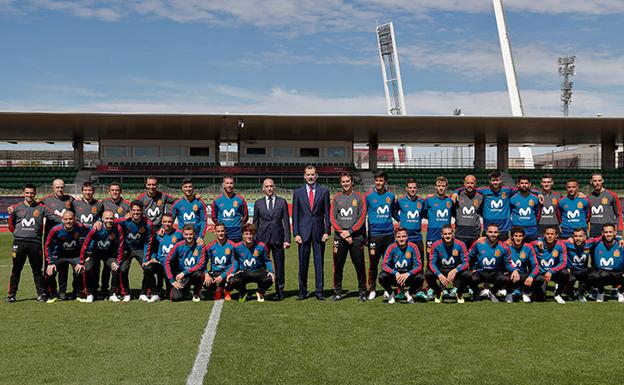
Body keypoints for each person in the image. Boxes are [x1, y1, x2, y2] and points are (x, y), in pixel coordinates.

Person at [7, 183, 61, 302]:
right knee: (16, 269)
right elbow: (11, 225)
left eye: (31, 193)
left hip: (35, 243)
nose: (29, 195)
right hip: (19, 243)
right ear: (23, 193)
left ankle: (41, 293)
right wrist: (18, 233)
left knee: (37, 270)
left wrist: (68, 221)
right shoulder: (16, 207)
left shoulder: (41, 207)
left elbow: (54, 217)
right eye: (27, 193)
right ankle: (12, 294)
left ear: (35, 194)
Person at [292, 165, 331, 300]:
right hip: (302, 234)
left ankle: (319, 292)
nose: (310, 177)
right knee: (303, 264)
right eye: (308, 174)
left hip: (319, 233)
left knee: (319, 264)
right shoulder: (298, 192)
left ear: (317, 176)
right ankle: (302, 291)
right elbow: (295, 214)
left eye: (313, 174)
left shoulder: (324, 191)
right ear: (304, 176)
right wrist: (296, 233)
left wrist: (327, 231)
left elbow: (327, 213)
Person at [329, 172, 367, 302]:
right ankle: (337, 291)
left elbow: (361, 218)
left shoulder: (359, 198)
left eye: (347, 181)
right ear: (341, 183)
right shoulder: (336, 198)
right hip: (340, 237)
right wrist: (343, 233)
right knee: (338, 266)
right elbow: (332, 218)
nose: (345, 184)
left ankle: (362, 291)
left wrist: (350, 232)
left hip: (356, 237)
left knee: (359, 265)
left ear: (352, 182)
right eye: (343, 182)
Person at [253, 178, 291, 300]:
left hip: (278, 239)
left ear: (274, 187)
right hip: (262, 240)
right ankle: (262, 291)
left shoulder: (282, 202)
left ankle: (280, 292)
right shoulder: (258, 203)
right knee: (262, 267)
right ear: (263, 189)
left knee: (279, 266)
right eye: (267, 186)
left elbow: (286, 221)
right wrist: (254, 240)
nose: (269, 188)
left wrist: (287, 239)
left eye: (271, 186)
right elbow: (255, 223)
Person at [364, 170, 397, 300]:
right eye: (376, 180)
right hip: (374, 236)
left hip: (389, 235)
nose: (378, 183)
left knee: (388, 263)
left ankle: (387, 289)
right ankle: (372, 288)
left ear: (385, 182)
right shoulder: (369, 197)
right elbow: (363, 215)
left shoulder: (391, 196)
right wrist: (364, 234)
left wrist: (402, 221)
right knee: (373, 263)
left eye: (381, 180)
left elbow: (393, 212)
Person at [44, 210, 90, 302]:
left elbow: (91, 234)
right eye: (66, 219)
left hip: (75, 255)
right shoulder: (55, 230)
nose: (68, 221)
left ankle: (78, 293)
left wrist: (85, 256)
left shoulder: (80, 227)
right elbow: (47, 245)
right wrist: (50, 262)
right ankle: (54, 294)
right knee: (50, 271)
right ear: (62, 220)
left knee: (81, 269)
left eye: (70, 219)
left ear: (74, 219)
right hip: (60, 255)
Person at [80, 210, 124, 303]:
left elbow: (121, 245)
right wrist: (82, 259)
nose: (109, 220)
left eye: (111, 218)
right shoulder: (96, 228)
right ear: (102, 219)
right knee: (88, 268)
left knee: (116, 268)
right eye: (107, 218)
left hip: (108, 254)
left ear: (114, 219)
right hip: (94, 253)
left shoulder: (118, 228)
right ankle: (90, 293)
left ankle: (112, 294)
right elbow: (86, 243)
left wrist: (118, 261)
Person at [116, 200, 154, 302]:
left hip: (140, 249)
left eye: (138, 210)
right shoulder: (126, 221)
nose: (136, 212)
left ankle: (143, 292)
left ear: (142, 211)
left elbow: (148, 241)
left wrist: (146, 258)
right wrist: (124, 217)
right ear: (130, 211)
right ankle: (126, 293)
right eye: (134, 210)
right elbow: (113, 222)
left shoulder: (148, 223)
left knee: (148, 268)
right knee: (123, 269)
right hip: (127, 249)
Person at [466, 224, 513, 302]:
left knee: (504, 279)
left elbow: (507, 263)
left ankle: (493, 292)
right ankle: (476, 292)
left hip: (494, 273)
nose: (493, 234)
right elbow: (469, 257)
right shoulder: (478, 243)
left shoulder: (503, 247)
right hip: (480, 272)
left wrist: (514, 271)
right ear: (487, 233)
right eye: (490, 232)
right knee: (468, 276)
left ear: (498, 233)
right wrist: (471, 269)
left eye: (495, 232)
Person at [100, 181, 131, 297]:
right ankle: (104, 289)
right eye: (112, 190)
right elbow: (98, 218)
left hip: (121, 241)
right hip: (106, 240)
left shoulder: (127, 205)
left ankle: (118, 290)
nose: (115, 192)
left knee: (119, 268)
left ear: (121, 191)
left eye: (117, 190)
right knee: (106, 268)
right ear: (109, 191)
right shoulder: (103, 203)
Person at [378, 227, 424, 304]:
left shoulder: (413, 247)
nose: (401, 239)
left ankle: (408, 293)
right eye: (399, 237)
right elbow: (384, 265)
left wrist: (408, 274)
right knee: (382, 276)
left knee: (421, 277)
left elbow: (419, 265)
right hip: (396, 277)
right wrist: (395, 273)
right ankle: (391, 293)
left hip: (408, 277)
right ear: (395, 238)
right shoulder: (391, 247)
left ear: (407, 237)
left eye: (403, 236)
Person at [230, 224, 275, 303]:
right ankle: (243, 292)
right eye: (246, 234)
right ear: (242, 235)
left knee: (270, 279)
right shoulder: (237, 247)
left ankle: (260, 291)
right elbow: (236, 260)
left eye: (251, 234)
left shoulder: (261, 246)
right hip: (244, 272)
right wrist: (233, 272)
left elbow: (267, 260)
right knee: (232, 280)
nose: (249, 236)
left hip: (258, 271)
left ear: (254, 234)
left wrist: (271, 271)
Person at [426, 225, 470, 304]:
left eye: (449, 233)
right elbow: (431, 263)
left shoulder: (460, 244)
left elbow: (466, 262)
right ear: (441, 235)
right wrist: (439, 274)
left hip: (455, 270)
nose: (447, 236)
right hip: (441, 270)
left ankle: (459, 293)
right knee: (428, 273)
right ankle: (439, 292)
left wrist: (455, 270)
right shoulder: (435, 245)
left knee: (468, 274)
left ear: (453, 234)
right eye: (445, 234)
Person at [144, 213, 181, 302]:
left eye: (169, 221)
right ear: (161, 222)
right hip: (160, 264)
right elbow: (153, 249)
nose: (167, 224)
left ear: (173, 222)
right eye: (164, 221)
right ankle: (155, 292)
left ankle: (166, 290)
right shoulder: (157, 235)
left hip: (172, 266)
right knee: (147, 268)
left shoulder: (179, 234)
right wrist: (153, 257)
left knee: (172, 296)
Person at [165, 224, 207, 302]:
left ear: (194, 234)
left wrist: (185, 272)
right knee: (175, 297)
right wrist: (172, 280)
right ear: (183, 234)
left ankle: (196, 292)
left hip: (193, 273)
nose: (189, 236)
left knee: (199, 274)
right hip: (182, 276)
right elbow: (167, 261)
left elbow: (201, 264)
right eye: (186, 234)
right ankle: (186, 291)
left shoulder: (200, 245)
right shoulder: (178, 245)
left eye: (191, 234)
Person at [530, 226, 569, 304]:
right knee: (541, 299)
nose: (550, 236)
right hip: (541, 274)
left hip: (553, 273)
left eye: (552, 234)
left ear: (556, 236)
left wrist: (551, 271)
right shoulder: (537, 244)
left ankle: (558, 294)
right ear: (544, 235)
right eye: (547, 234)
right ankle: (534, 292)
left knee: (565, 273)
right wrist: (535, 243)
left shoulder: (561, 245)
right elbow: (525, 245)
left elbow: (563, 262)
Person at [588, 224, 624, 303]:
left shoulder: (621, 245)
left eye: (610, 232)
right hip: (602, 274)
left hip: (617, 275)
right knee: (597, 274)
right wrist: (570, 240)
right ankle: (600, 292)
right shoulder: (596, 244)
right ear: (602, 233)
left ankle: (621, 292)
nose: (608, 234)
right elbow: (582, 242)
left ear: (615, 233)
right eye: (606, 232)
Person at [506, 227, 542, 303]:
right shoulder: (506, 247)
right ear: (512, 237)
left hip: (522, 275)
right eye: (516, 236)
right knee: (502, 277)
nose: (518, 238)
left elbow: (536, 265)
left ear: (523, 237)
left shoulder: (528, 248)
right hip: (509, 274)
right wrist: (513, 270)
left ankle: (525, 292)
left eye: (520, 236)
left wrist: (531, 277)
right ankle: (509, 293)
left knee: (539, 278)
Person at [477, 171, 514, 241]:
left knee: (504, 248)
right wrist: (455, 192)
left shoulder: (507, 190)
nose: (495, 182)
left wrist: (538, 193)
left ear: (501, 180)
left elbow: (523, 189)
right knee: (488, 248)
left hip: (503, 227)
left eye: (497, 180)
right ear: (489, 181)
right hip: (488, 227)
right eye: (493, 180)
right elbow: (469, 188)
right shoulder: (484, 190)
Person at [204, 223, 237, 301]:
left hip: (227, 272)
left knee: (235, 280)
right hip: (215, 272)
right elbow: (203, 262)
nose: (220, 233)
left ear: (225, 231)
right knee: (205, 282)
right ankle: (218, 289)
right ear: (215, 232)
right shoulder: (210, 246)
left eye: (222, 231)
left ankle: (227, 291)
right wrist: (206, 274)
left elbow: (234, 263)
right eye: (218, 231)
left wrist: (223, 276)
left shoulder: (232, 245)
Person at [211, 175, 249, 242]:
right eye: (227, 183)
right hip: (223, 232)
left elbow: (245, 216)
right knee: (224, 252)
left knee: (237, 251)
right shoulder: (217, 200)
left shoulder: (240, 200)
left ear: (233, 184)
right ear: (223, 185)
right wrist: (220, 226)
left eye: (231, 183)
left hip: (237, 232)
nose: (229, 185)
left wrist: (239, 225)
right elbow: (214, 217)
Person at [564, 228, 595, 303]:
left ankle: (580, 293)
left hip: (583, 270)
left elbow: (600, 238)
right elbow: (555, 240)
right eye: (576, 236)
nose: (578, 238)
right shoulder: (568, 244)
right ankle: (569, 293)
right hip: (571, 270)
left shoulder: (589, 243)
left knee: (594, 274)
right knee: (570, 278)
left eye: (580, 236)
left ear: (584, 237)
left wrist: (618, 238)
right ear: (573, 237)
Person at [395, 178, 425, 256]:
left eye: (414, 188)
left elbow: (423, 214)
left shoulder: (421, 201)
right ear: (406, 188)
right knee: (405, 260)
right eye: (410, 188)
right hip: (404, 236)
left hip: (417, 236)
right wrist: (400, 219)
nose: (412, 190)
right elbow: (393, 212)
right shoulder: (401, 200)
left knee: (419, 260)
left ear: (417, 188)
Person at [587, 173, 623, 238]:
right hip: (594, 230)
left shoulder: (612, 195)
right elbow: (587, 216)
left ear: (603, 181)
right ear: (591, 182)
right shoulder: (588, 197)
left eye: (599, 180)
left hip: (608, 229)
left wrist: (619, 232)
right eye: (595, 181)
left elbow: (619, 214)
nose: (597, 183)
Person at [453, 174, 483, 252]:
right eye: (468, 183)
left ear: (475, 183)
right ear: (464, 184)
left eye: (472, 183)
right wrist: (456, 192)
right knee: (459, 258)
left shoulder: (480, 197)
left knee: (473, 259)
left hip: (474, 233)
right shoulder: (457, 195)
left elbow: (481, 212)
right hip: (460, 233)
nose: (470, 185)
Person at [423, 176, 454, 249]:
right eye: (439, 186)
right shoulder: (429, 200)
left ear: (446, 187)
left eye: (443, 186)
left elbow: (453, 213)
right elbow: (424, 214)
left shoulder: (450, 201)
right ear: (435, 187)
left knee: (446, 257)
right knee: (430, 256)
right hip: (432, 232)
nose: (441, 188)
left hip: (447, 233)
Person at [509, 175, 541, 242]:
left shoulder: (535, 198)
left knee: (533, 248)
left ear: (530, 184)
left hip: (531, 228)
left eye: (526, 183)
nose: (524, 185)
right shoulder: (512, 198)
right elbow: (510, 212)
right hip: (517, 228)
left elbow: (537, 213)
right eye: (522, 183)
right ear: (518, 184)